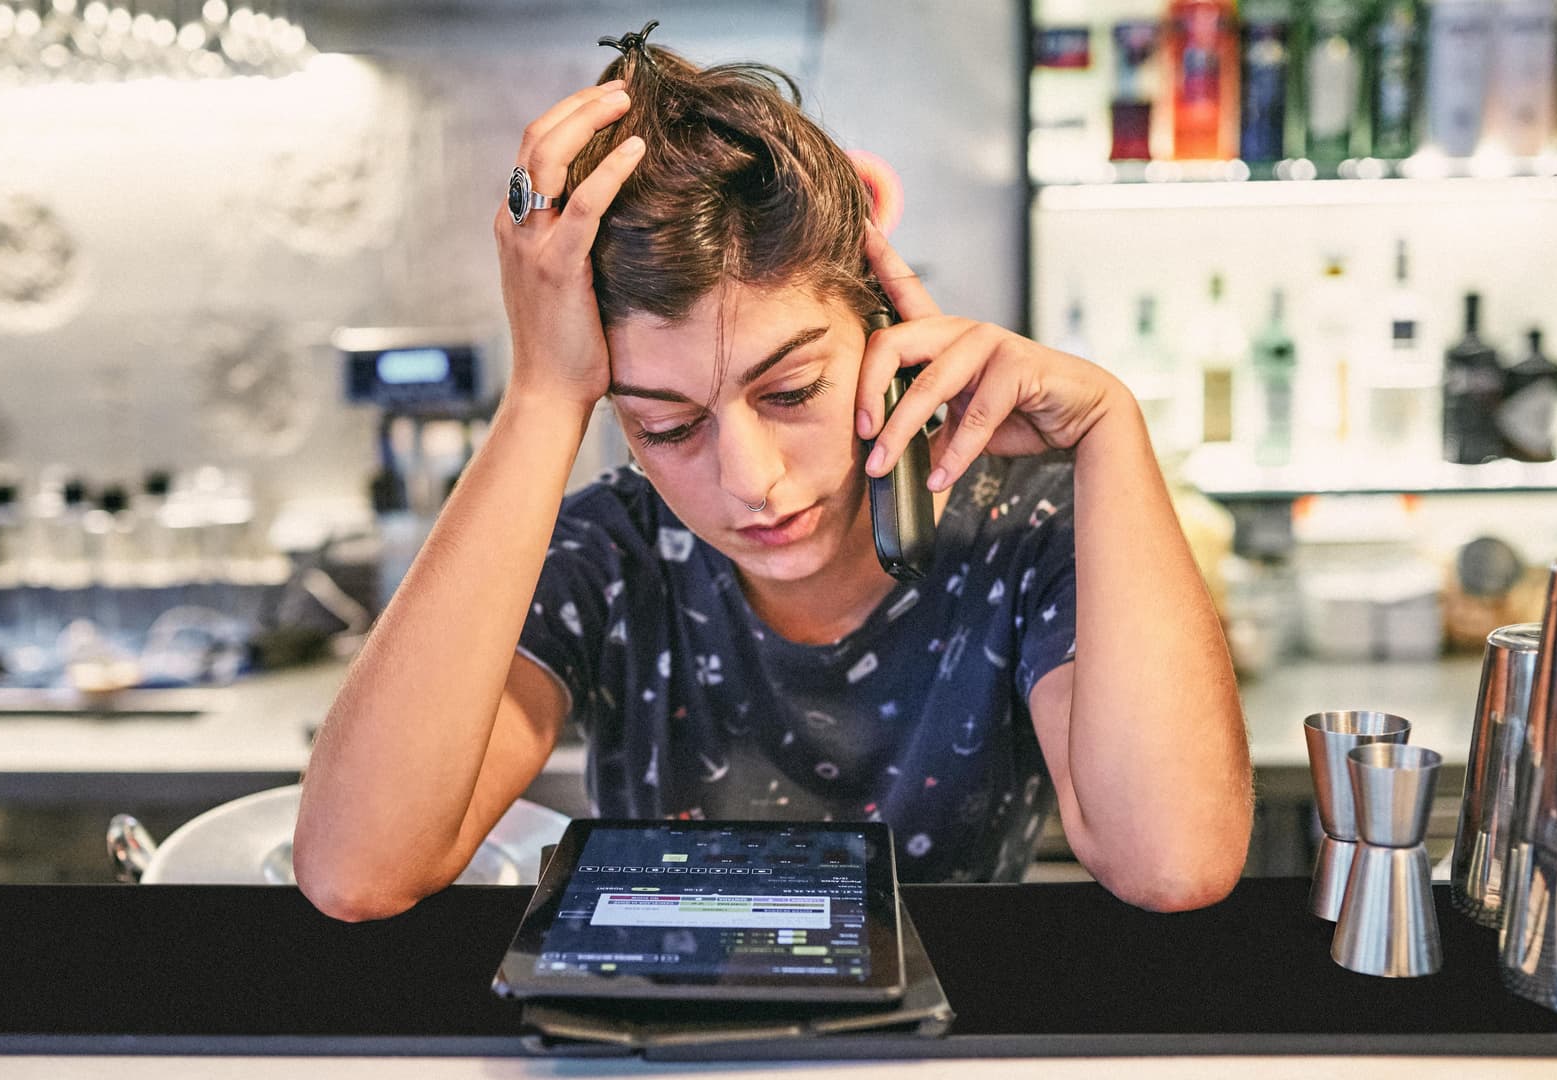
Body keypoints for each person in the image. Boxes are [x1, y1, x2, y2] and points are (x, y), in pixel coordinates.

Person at [295, 24, 1252, 921]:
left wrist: (1109, 430)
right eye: (668, 427)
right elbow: (357, 870)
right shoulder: (608, 552)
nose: (750, 479)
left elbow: (1175, 864)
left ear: (884, 327)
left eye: (792, 392)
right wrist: (544, 396)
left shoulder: (1027, 535)